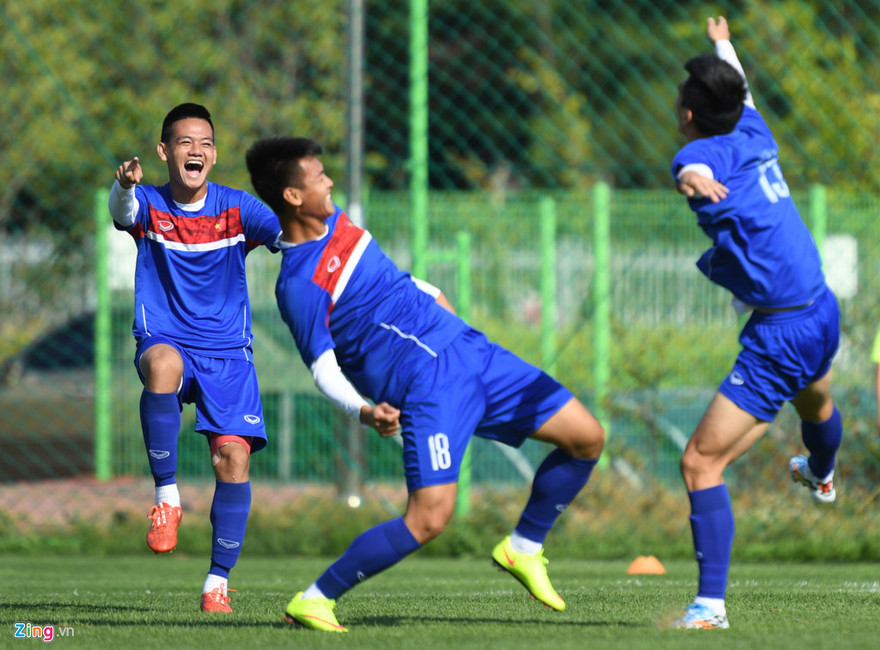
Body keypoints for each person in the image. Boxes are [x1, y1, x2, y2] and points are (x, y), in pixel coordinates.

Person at [244, 136, 606, 633]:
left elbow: (400, 281)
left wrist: (442, 307)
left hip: (473, 354)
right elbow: (323, 368)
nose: (330, 181)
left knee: (587, 437)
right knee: (429, 519)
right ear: (292, 196)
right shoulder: (299, 284)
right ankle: (316, 598)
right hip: (429, 388)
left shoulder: (343, 224)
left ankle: (523, 547)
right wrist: (365, 411)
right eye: (318, 176)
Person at [669, 18, 842, 629]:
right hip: (820, 305)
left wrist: (693, 179)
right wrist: (722, 43)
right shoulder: (753, 123)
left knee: (699, 463)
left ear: (689, 114)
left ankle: (709, 606)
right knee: (815, 404)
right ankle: (821, 475)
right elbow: (739, 86)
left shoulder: (695, 152)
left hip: (782, 330)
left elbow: (689, 172)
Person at [108, 103, 281, 613]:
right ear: (165, 151)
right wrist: (124, 186)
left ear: (214, 153)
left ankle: (216, 586)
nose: (196, 151)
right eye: (185, 142)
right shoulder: (150, 204)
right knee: (161, 366)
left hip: (229, 355)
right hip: (166, 337)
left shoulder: (237, 208)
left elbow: (286, 237)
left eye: (204, 143)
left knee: (234, 459)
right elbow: (122, 214)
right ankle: (166, 499)